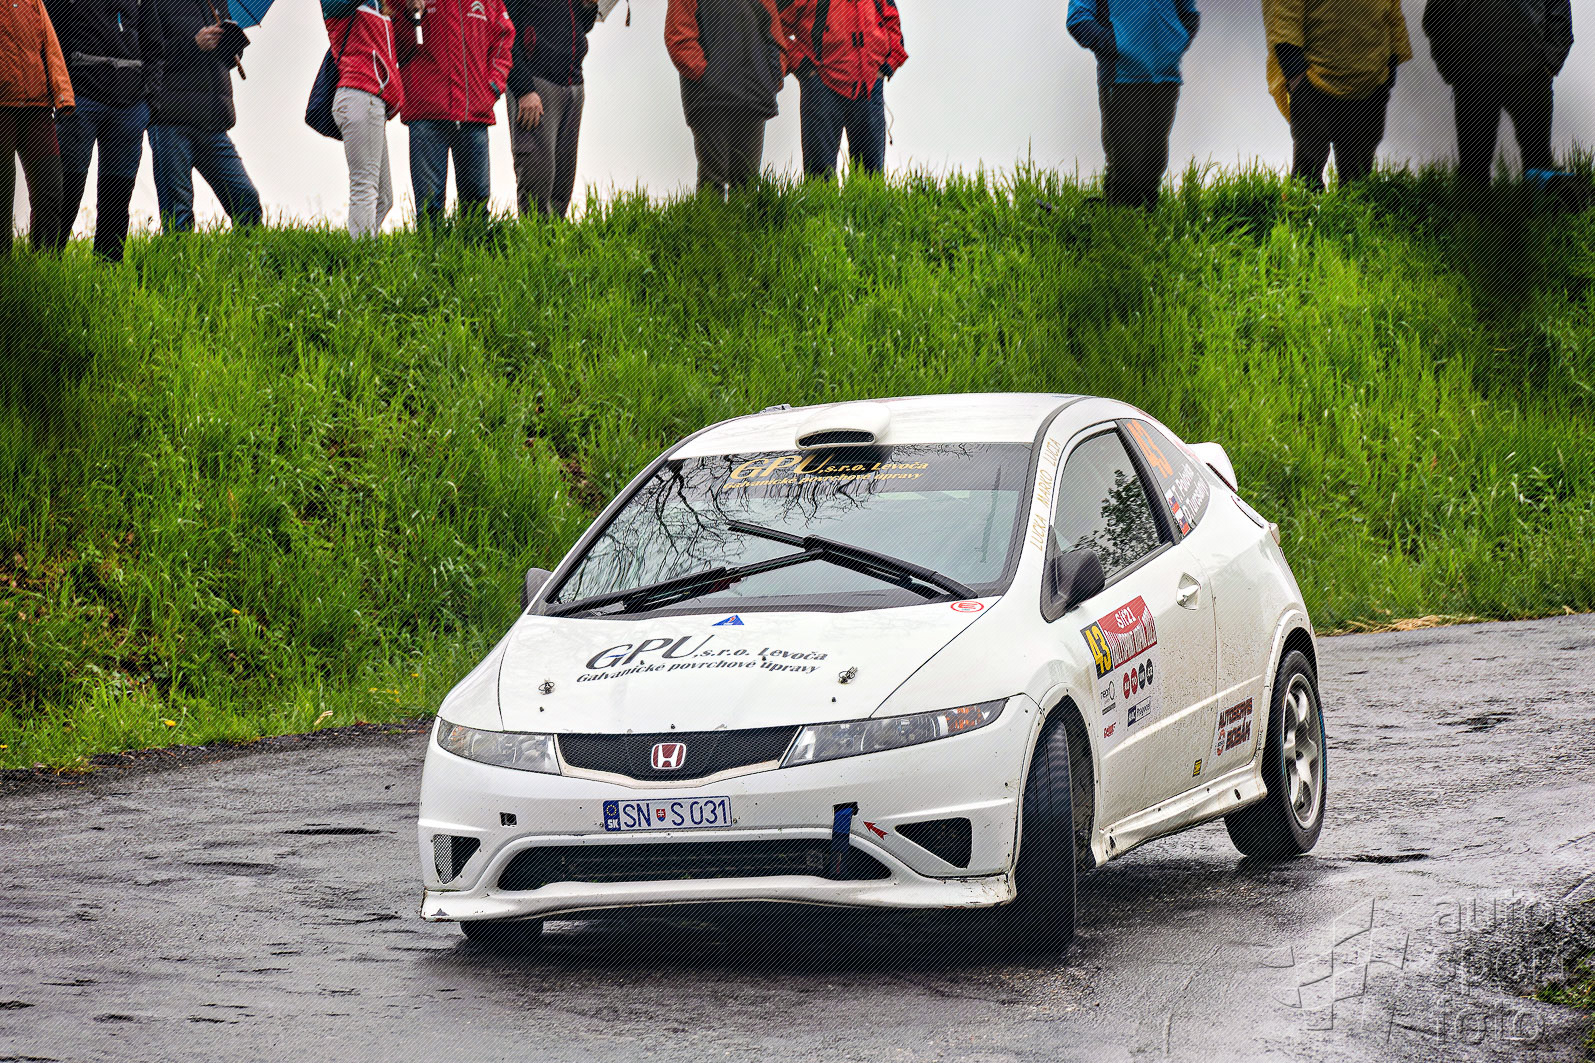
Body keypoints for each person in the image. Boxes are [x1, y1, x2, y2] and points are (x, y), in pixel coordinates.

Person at [43, 0, 153, 261]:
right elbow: (50, 37)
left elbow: (155, 47)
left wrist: (150, 102)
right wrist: (62, 91)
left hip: (130, 106)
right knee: (66, 186)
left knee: (117, 195)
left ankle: (107, 269)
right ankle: (47, 262)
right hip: (80, 99)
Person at [1262, 0, 1411, 191]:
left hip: (1371, 83)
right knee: (1307, 175)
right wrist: (1296, 75)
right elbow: (1283, 14)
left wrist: (1389, 72)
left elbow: (1393, 13)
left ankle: (1351, 208)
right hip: (1314, 82)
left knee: (1357, 179)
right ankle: (1301, 207)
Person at [1423, 0, 1573, 186]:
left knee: (1538, 162)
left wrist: (1550, 63)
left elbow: (1559, 10)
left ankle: (1540, 202)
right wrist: (1450, 66)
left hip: (1529, 76)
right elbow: (1436, 16)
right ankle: (1475, 204)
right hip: (1474, 77)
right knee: (1473, 170)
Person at [393, 0, 515, 224]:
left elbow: (504, 40)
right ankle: (430, 248)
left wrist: (492, 87)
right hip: (426, 113)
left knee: (477, 205)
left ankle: (475, 248)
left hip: (474, 113)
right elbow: (395, 49)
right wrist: (408, 15)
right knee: (429, 207)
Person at [1068, 0, 1199, 208]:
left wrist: (1174, 44)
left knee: (1155, 159)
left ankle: (1144, 218)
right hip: (1122, 78)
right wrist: (1116, 45)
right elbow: (1078, 19)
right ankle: (1118, 218)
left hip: (1166, 77)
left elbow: (1189, 14)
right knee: (1125, 163)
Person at [144, 0, 261, 232]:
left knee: (246, 200)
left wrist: (233, 47)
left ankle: (250, 255)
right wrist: (193, 44)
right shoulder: (155, 3)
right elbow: (146, 55)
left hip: (213, 122)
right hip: (170, 120)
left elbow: (225, 60)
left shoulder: (217, 3)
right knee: (178, 214)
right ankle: (177, 256)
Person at [664, 0, 790, 197]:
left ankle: (743, 219)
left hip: (752, 98)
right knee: (712, 182)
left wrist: (771, 77)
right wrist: (710, 78)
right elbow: (679, 38)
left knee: (747, 183)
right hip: (711, 101)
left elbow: (775, 37)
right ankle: (709, 219)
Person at [780, 0, 906, 180]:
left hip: (869, 86)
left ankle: (864, 200)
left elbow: (893, 24)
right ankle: (820, 200)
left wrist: (888, 65)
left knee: (870, 176)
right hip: (821, 87)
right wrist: (803, 66)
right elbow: (774, 25)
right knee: (819, 176)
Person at [504, 0, 597, 218]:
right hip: (535, 85)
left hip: (573, 84)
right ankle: (533, 236)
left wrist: (588, 6)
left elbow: (582, 26)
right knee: (536, 174)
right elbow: (504, 32)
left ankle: (554, 236)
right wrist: (523, 88)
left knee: (563, 178)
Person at [323, 0, 405, 238]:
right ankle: (361, 253)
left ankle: (365, 245)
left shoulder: (376, 6)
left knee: (384, 198)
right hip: (360, 96)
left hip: (371, 101)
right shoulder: (335, 4)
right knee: (365, 187)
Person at [1, 0, 72, 254]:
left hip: (37, 107)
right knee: (2, 194)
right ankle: (5, 266)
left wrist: (63, 94)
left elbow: (51, 47)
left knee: (50, 190)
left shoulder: (33, 2)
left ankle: (44, 261)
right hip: (2, 107)